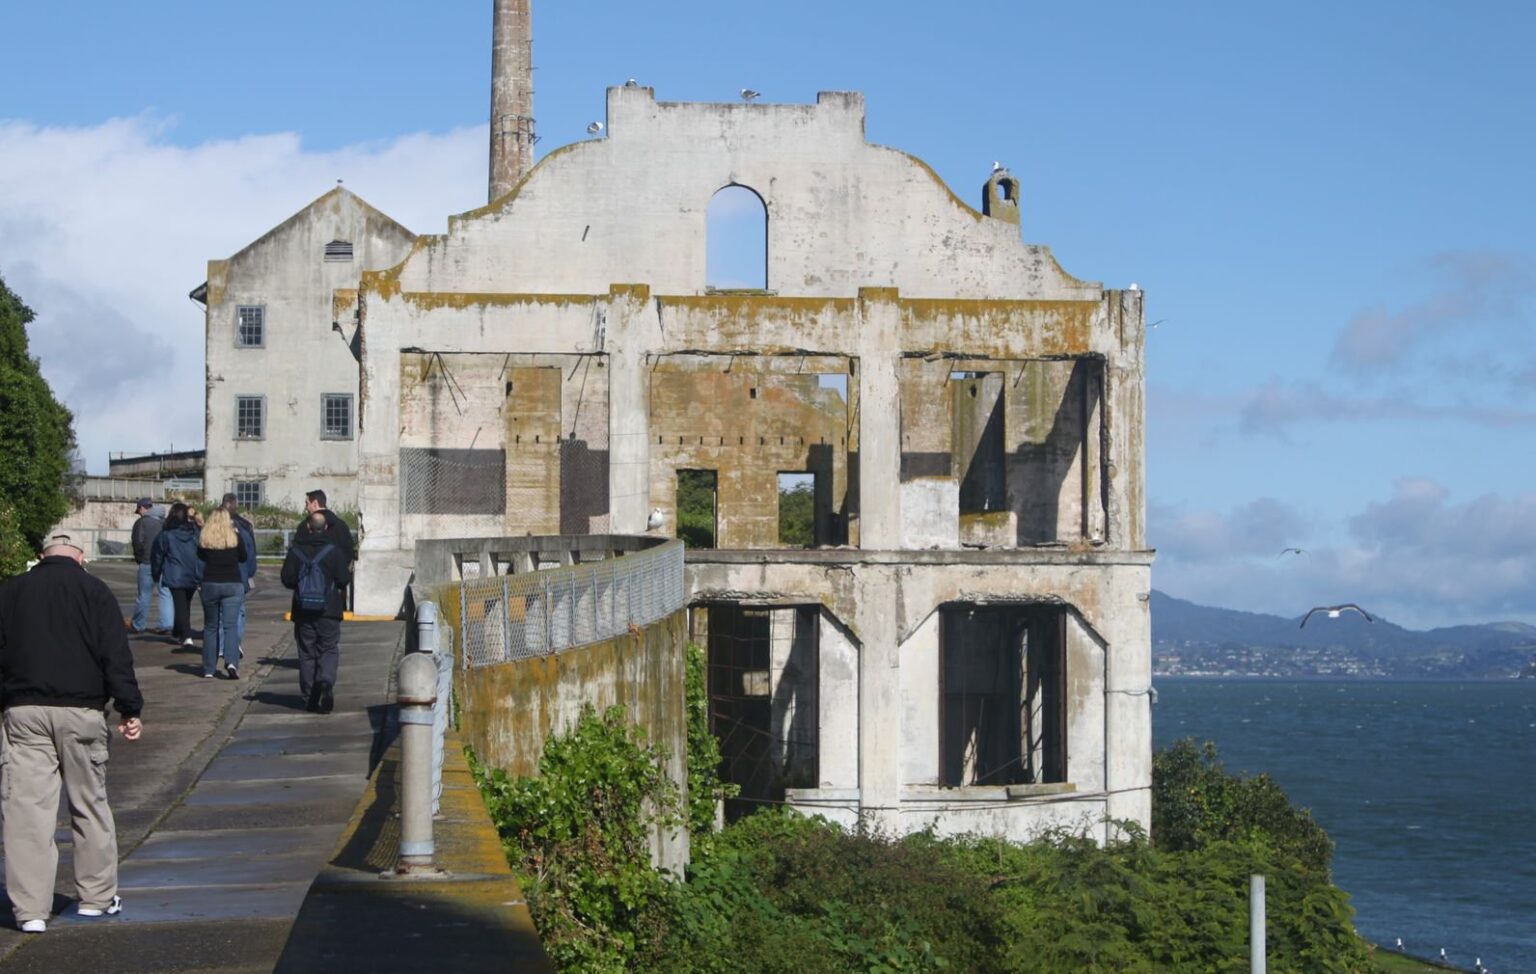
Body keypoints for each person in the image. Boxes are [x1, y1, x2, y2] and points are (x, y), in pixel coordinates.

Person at [0, 535, 143, 934]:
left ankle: (30, 911)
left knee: (26, 811)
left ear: (40, 557)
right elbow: (115, 654)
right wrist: (130, 707)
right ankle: (96, 899)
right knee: (89, 804)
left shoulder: (11, 591)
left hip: (24, 711)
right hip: (82, 711)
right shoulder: (95, 591)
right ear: (81, 557)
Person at [281, 511, 351, 713]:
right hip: (329, 610)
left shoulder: (296, 551)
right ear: (326, 528)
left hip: (303, 610)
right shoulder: (334, 551)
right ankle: (326, 680)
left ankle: (309, 695)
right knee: (328, 649)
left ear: (308, 527)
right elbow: (343, 579)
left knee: (306, 653)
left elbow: (287, 579)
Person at [196, 509, 248, 680]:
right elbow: (243, 557)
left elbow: (200, 556)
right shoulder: (235, 537)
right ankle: (231, 661)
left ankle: (209, 668)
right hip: (232, 583)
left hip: (210, 582)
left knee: (210, 627)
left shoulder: (205, 538)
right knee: (230, 626)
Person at [150, 503, 202, 647]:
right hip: (192, 572)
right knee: (185, 605)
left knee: (180, 606)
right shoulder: (194, 532)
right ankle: (179, 632)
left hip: (175, 573)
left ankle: (186, 635)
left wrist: (156, 573)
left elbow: (157, 556)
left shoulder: (166, 535)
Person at [221, 493, 259, 661]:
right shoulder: (245, 526)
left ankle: (222, 646)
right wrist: (249, 573)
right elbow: (251, 554)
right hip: (240, 575)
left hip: (217, 575)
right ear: (235, 505)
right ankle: (235, 643)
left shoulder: (213, 526)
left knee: (220, 613)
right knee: (238, 612)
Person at [128, 498, 172, 634]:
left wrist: (140, 558)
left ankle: (138, 624)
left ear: (142, 508)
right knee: (165, 593)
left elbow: (137, 542)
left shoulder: (141, 523)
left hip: (147, 562)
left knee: (144, 595)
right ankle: (167, 624)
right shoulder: (165, 522)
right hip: (164, 563)